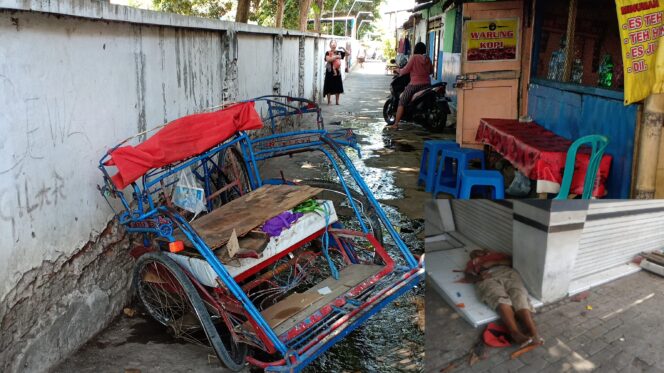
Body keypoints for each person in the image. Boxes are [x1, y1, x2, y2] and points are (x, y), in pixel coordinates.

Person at [464, 249, 542, 347]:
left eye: (476, 251)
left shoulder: (496, 254)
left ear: (483, 251)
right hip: (486, 278)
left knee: (519, 295)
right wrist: (479, 278)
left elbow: (513, 261)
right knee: (499, 298)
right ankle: (515, 333)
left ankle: (533, 332)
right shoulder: (471, 263)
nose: (475, 253)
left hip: (506, 272)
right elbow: (468, 278)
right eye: (473, 254)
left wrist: (494, 262)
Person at [387, 42, 433, 130]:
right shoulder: (428, 59)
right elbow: (431, 71)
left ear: (416, 49)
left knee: (402, 101)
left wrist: (398, 70)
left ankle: (396, 124)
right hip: (427, 85)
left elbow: (405, 70)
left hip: (414, 85)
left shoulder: (414, 58)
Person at [323, 40, 345, 105]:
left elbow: (348, 54)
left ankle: (337, 101)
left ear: (336, 45)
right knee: (328, 86)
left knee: (338, 86)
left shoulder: (339, 52)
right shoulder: (327, 52)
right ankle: (329, 101)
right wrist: (336, 56)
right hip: (329, 71)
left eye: (334, 43)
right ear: (330, 45)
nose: (333, 44)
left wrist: (344, 48)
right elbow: (328, 59)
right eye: (332, 43)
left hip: (337, 71)